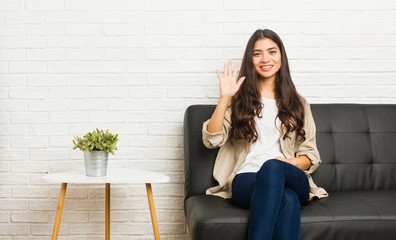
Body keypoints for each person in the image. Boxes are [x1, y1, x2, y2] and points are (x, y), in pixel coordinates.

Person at [202, 29, 328, 240]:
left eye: (272, 51)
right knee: (287, 200)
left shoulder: (299, 103)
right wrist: (224, 98)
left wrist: (289, 162)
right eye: (257, 53)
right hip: (247, 178)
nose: (265, 59)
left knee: (273, 166)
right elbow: (211, 139)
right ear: (250, 59)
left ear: (281, 57)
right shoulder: (238, 100)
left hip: (290, 175)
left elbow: (311, 155)